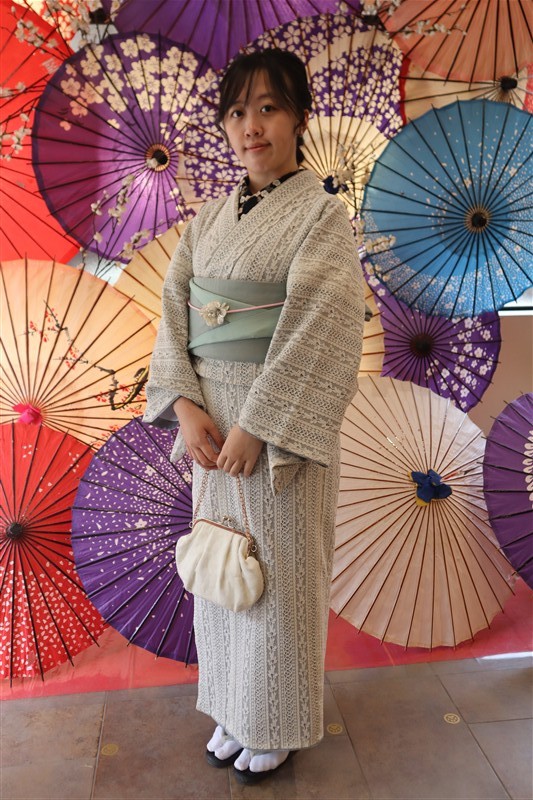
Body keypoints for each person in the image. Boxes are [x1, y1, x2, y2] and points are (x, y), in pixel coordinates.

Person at [144, 48, 365, 784]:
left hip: (276, 434)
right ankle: (232, 709)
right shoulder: (208, 219)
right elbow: (173, 315)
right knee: (222, 571)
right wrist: (184, 408)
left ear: (299, 117)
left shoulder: (321, 216)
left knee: (279, 579)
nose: (251, 126)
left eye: (268, 108)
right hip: (210, 424)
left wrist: (258, 425)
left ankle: (275, 722)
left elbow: (322, 326)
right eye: (237, 112)